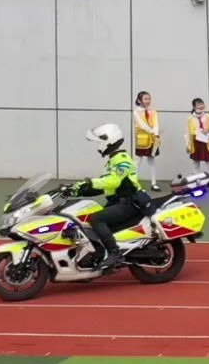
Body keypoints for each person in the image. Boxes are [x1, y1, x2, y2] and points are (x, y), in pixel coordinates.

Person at [68, 125, 153, 271]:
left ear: (107, 140)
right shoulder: (112, 160)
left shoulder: (122, 159)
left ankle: (115, 254)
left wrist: (90, 182)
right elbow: (105, 186)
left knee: (96, 218)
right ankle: (101, 254)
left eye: (98, 142)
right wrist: (76, 190)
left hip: (130, 203)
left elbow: (114, 181)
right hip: (118, 202)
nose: (97, 147)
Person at [184, 99, 209, 193]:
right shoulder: (189, 118)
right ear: (194, 107)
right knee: (195, 165)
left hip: (207, 143)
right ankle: (198, 186)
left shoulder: (208, 116)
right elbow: (186, 132)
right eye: (198, 105)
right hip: (195, 143)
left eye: (202, 104)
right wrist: (187, 145)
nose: (201, 106)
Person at [132, 91, 162, 191]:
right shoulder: (136, 112)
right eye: (145, 99)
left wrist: (156, 134)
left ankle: (154, 183)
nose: (148, 101)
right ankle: (134, 183)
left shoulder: (153, 111)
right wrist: (153, 132)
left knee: (152, 160)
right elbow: (142, 125)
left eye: (149, 99)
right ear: (139, 100)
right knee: (138, 160)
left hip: (153, 138)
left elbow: (156, 123)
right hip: (142, 139)